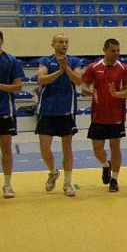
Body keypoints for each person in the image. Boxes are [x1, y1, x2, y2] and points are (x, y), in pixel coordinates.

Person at [81, 38, 127, 193]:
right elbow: (84, 87)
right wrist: (92, 92)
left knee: (115, 147)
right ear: (105, 50)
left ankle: (114, 179)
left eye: (118, 51)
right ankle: (106, 165)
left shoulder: (124, 69)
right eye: (113, 51)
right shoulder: (93, 67)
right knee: (97, 149)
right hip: (98, 115)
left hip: (116, 115)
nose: (116, 53)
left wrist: (117, 94)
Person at [36, 34, 82, 197]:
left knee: (67, 147)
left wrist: (66, 68)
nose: (64, 44)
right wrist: (59, 71)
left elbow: (78, 80)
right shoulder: (45, 61)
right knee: (44, 147)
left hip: (66, 110)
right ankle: (53, 171)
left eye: (66, 42)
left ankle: (68, 183)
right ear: (53, 44)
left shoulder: (74, 61)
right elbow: (41, 79)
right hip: (47, 110)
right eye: (60, 42)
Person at [0, 31, 24, 198]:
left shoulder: (11, 60)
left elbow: (18, 86)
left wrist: (1, 86)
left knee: (6, 149)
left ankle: (7, 184)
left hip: (4, 111)